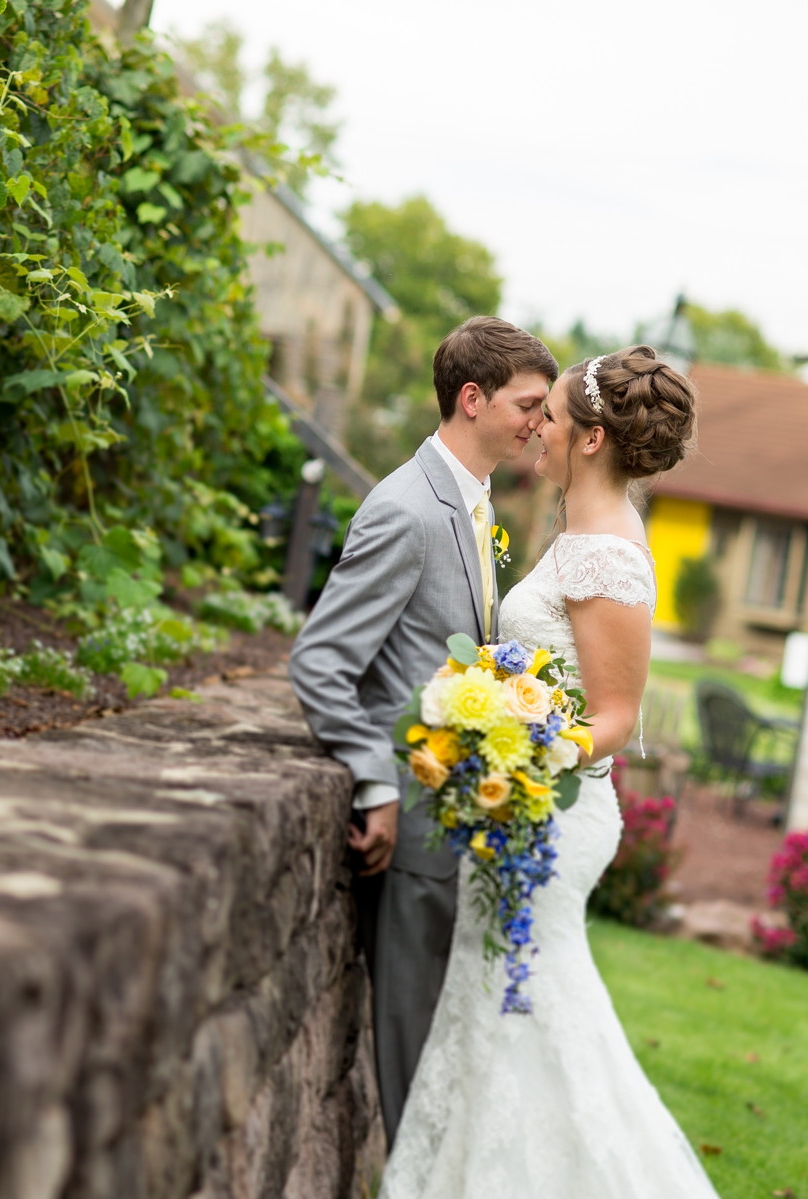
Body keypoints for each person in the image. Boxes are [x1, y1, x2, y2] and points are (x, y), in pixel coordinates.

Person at [380, 346, 718, 1197]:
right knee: (497, 1006)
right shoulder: (578, 532)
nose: (540, 429)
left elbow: (614, 717)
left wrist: (519, 742)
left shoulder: (607, 554)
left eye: (555, 419)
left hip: (552, 813)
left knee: (524, 1009)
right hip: (522, 805)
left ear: (593, 439)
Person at [288, 316, 556, 1146]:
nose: (540, 425)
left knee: (436, 1058)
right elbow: (322, 659)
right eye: (529, 405)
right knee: (410, 1068)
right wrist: (373, 780)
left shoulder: (468, 503)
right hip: (409, 831)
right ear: (472, 399)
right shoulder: (407, 507)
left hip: (448, 826)